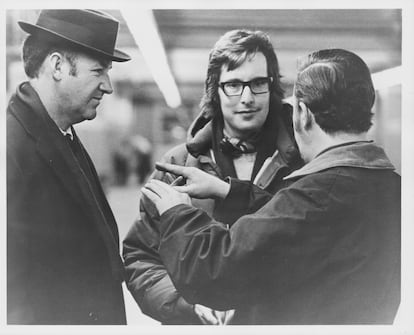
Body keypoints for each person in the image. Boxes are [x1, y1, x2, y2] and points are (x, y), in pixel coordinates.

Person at [142, 49, 401, 324]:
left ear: (301, 113)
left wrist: (177, 214)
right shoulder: (394, 188)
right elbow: (300, 227)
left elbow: (213, 273)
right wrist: (230, 192)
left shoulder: (316, 194)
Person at [123, 29, 303, 324]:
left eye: (258, 83)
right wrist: (185, 305)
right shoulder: (177, 164)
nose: (247, 98)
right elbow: (141, 256)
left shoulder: (301, 163)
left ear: (272, 86)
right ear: (214, 92)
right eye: (233, 84)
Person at [7, 9, 131, 324]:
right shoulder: (10, 149)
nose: (108, 86)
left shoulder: (63, 135)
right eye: (99, 71)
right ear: (59, 66)